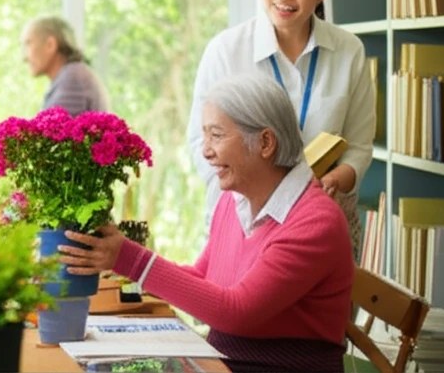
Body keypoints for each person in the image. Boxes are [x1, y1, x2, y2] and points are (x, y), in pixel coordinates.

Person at [61, 73, 355, 373]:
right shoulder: (233, 200)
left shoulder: (315, 223)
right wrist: (121, 270)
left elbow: (237, 312)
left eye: (216, 135)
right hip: (221, 362)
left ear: (265, 143)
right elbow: (204, 278)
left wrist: (131, 260)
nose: (205, 151)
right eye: (205, 136)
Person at [187, 0, 374, 260]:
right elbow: (202, 144)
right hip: (244, 228)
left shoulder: (349, 52)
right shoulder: (227, 51)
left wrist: (337, 179)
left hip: (319, 229)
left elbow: (359, 147)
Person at [0, 15, 109, 135]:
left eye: (28, 44)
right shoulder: (70, 76)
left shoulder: (73, 78)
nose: (24, 57)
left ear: (50, 44)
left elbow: (34, 143)